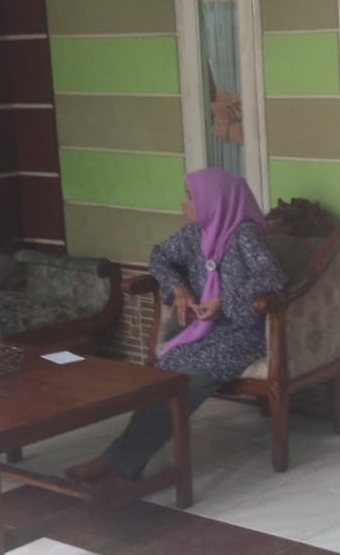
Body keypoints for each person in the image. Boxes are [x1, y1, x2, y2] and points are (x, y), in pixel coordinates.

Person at [67, 169, 286, 488]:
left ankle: (118, 463)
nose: (183, 203)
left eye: (191, 197)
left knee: (180, 383)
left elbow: (273, 276)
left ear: (214, 201)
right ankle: (125, 463)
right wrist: (178, 287)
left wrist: (224, 301)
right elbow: (159, 256)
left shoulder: (244, 235)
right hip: (205, 333)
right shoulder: (195, 234)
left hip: (240, 335)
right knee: (162, 380)